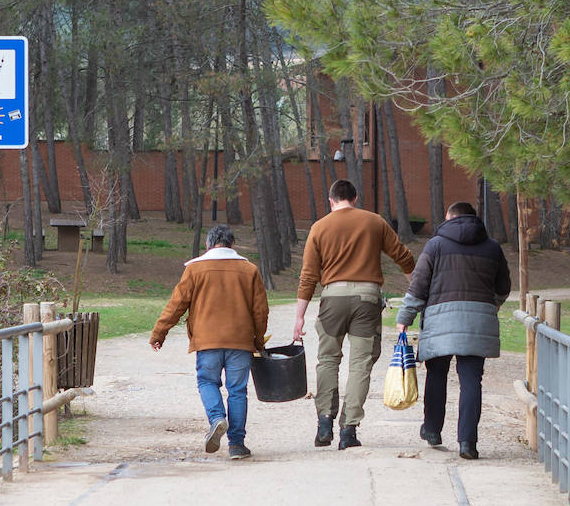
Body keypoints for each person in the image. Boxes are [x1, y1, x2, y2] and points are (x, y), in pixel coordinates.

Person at [294, 179, 416, 449]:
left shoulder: (319, 227)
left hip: (332, 299)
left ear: (331, 200)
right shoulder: (374, 222)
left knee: (327, 360)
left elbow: (308, 276)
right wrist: (415, 291)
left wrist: (300, 316)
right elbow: (403, 257)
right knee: (360, 364)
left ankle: (324, 421)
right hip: (367, 298)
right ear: (356, 198)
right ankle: (349, 429)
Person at [395, 201, 511, 460]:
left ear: (449, 218)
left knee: (437, 375)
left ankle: (433, 430)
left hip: (440, 321)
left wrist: (405, 318)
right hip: (477, 322)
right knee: (472, 381)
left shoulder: (435, 245)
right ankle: (468, 442)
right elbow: (504, 286)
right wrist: (490, 306)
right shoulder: (492, 247)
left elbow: (418, 286)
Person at [151, 225, 269, 459]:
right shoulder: (249, 270)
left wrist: (159, 333)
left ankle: (217, 419)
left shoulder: (195, 269)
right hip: (240, 342)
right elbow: (260, 311)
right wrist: (258, 340)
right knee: (237, 391)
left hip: (207, 342)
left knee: (207, 382)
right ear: (232, 245)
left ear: (208, 245)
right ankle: (236, 445)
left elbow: (177, 304)